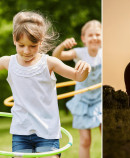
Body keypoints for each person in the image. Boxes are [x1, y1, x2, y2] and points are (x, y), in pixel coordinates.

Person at [0, 11, 91, 158]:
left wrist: (85, 68)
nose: (26, 51)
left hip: (47, 131)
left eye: (32, 45)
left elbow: (78, 76)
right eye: (21, 45)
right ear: (14, 40)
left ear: (41, 41)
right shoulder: (8, 61)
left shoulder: (49, 62)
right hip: (21, 131)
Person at [52, 20, 102, 158]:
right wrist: (62, 45)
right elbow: (55, 57)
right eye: (90, 35)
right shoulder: (79, 52)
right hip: (82, 100)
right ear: (83, 38)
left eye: (98, 34)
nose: (94, 38)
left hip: (101, 99)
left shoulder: (105, 53)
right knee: (85, 141)